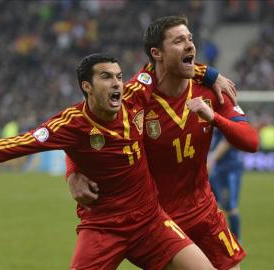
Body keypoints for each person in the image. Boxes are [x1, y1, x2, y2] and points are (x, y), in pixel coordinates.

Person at [0, 53, 215, 270]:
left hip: (150, 222)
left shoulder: (136, 96)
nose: (117, 83)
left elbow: (167, 58)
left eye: (119, 76)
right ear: (86, 86)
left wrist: (212, 76)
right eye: (106, 77)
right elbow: (18, 144)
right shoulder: (70, 125)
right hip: (104, 228)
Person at [66, 16, 259, 270]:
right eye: (179, 41)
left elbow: (250, 141)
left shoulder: (213, 90)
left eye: (190, 39)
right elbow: (90, 126)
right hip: (157, 222)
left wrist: (214, 118)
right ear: (156, 53)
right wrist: (73, 173)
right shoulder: (136, 98)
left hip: (204, 213)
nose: (190, 45)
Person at [208, 128, 244, 240]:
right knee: (212, 203)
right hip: (217, 168)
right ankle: (219, 237)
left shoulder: (226, 116)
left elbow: (227, 140)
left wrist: (211, 159)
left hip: (229, 168)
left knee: (230, 205)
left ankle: (236, 240)